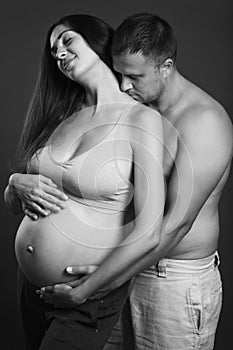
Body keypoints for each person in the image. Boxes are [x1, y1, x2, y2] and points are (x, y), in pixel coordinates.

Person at [50, 13, 232, 350]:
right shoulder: (132, 111)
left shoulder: (202, 120)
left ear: (166, 67)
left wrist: (97, 285)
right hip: (121, 269)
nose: (123, 86)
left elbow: (176, 225)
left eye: (134, 76)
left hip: (171, 280)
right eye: (119, 74)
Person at [4, 14, 164, 350]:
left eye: (67, 40)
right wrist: (14, 183)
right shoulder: (60, 115)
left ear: (96, 41)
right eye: (52, 50)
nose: (58, 53)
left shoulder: (142, 120)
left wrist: (87, 289)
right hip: (30, 288)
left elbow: (149, 232)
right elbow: (15, 203)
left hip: (84, 293)